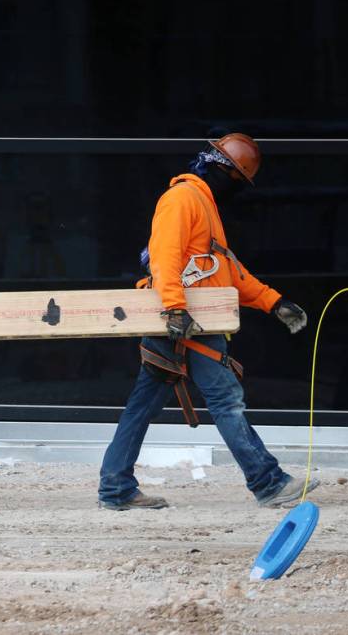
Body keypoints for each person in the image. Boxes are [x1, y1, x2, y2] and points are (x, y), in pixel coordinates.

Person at [98, 133, 317, 510]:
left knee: (143, 405)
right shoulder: (182, 198)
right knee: (226, 401)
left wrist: (273, 302)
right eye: (238, 182)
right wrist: (174, 308)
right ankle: (268, 482)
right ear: (223, 171)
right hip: (186, 321)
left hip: (186, 319)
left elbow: (223, 268)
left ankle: (115, 488)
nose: (239, 191)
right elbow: (165, 256)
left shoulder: (204, 203)